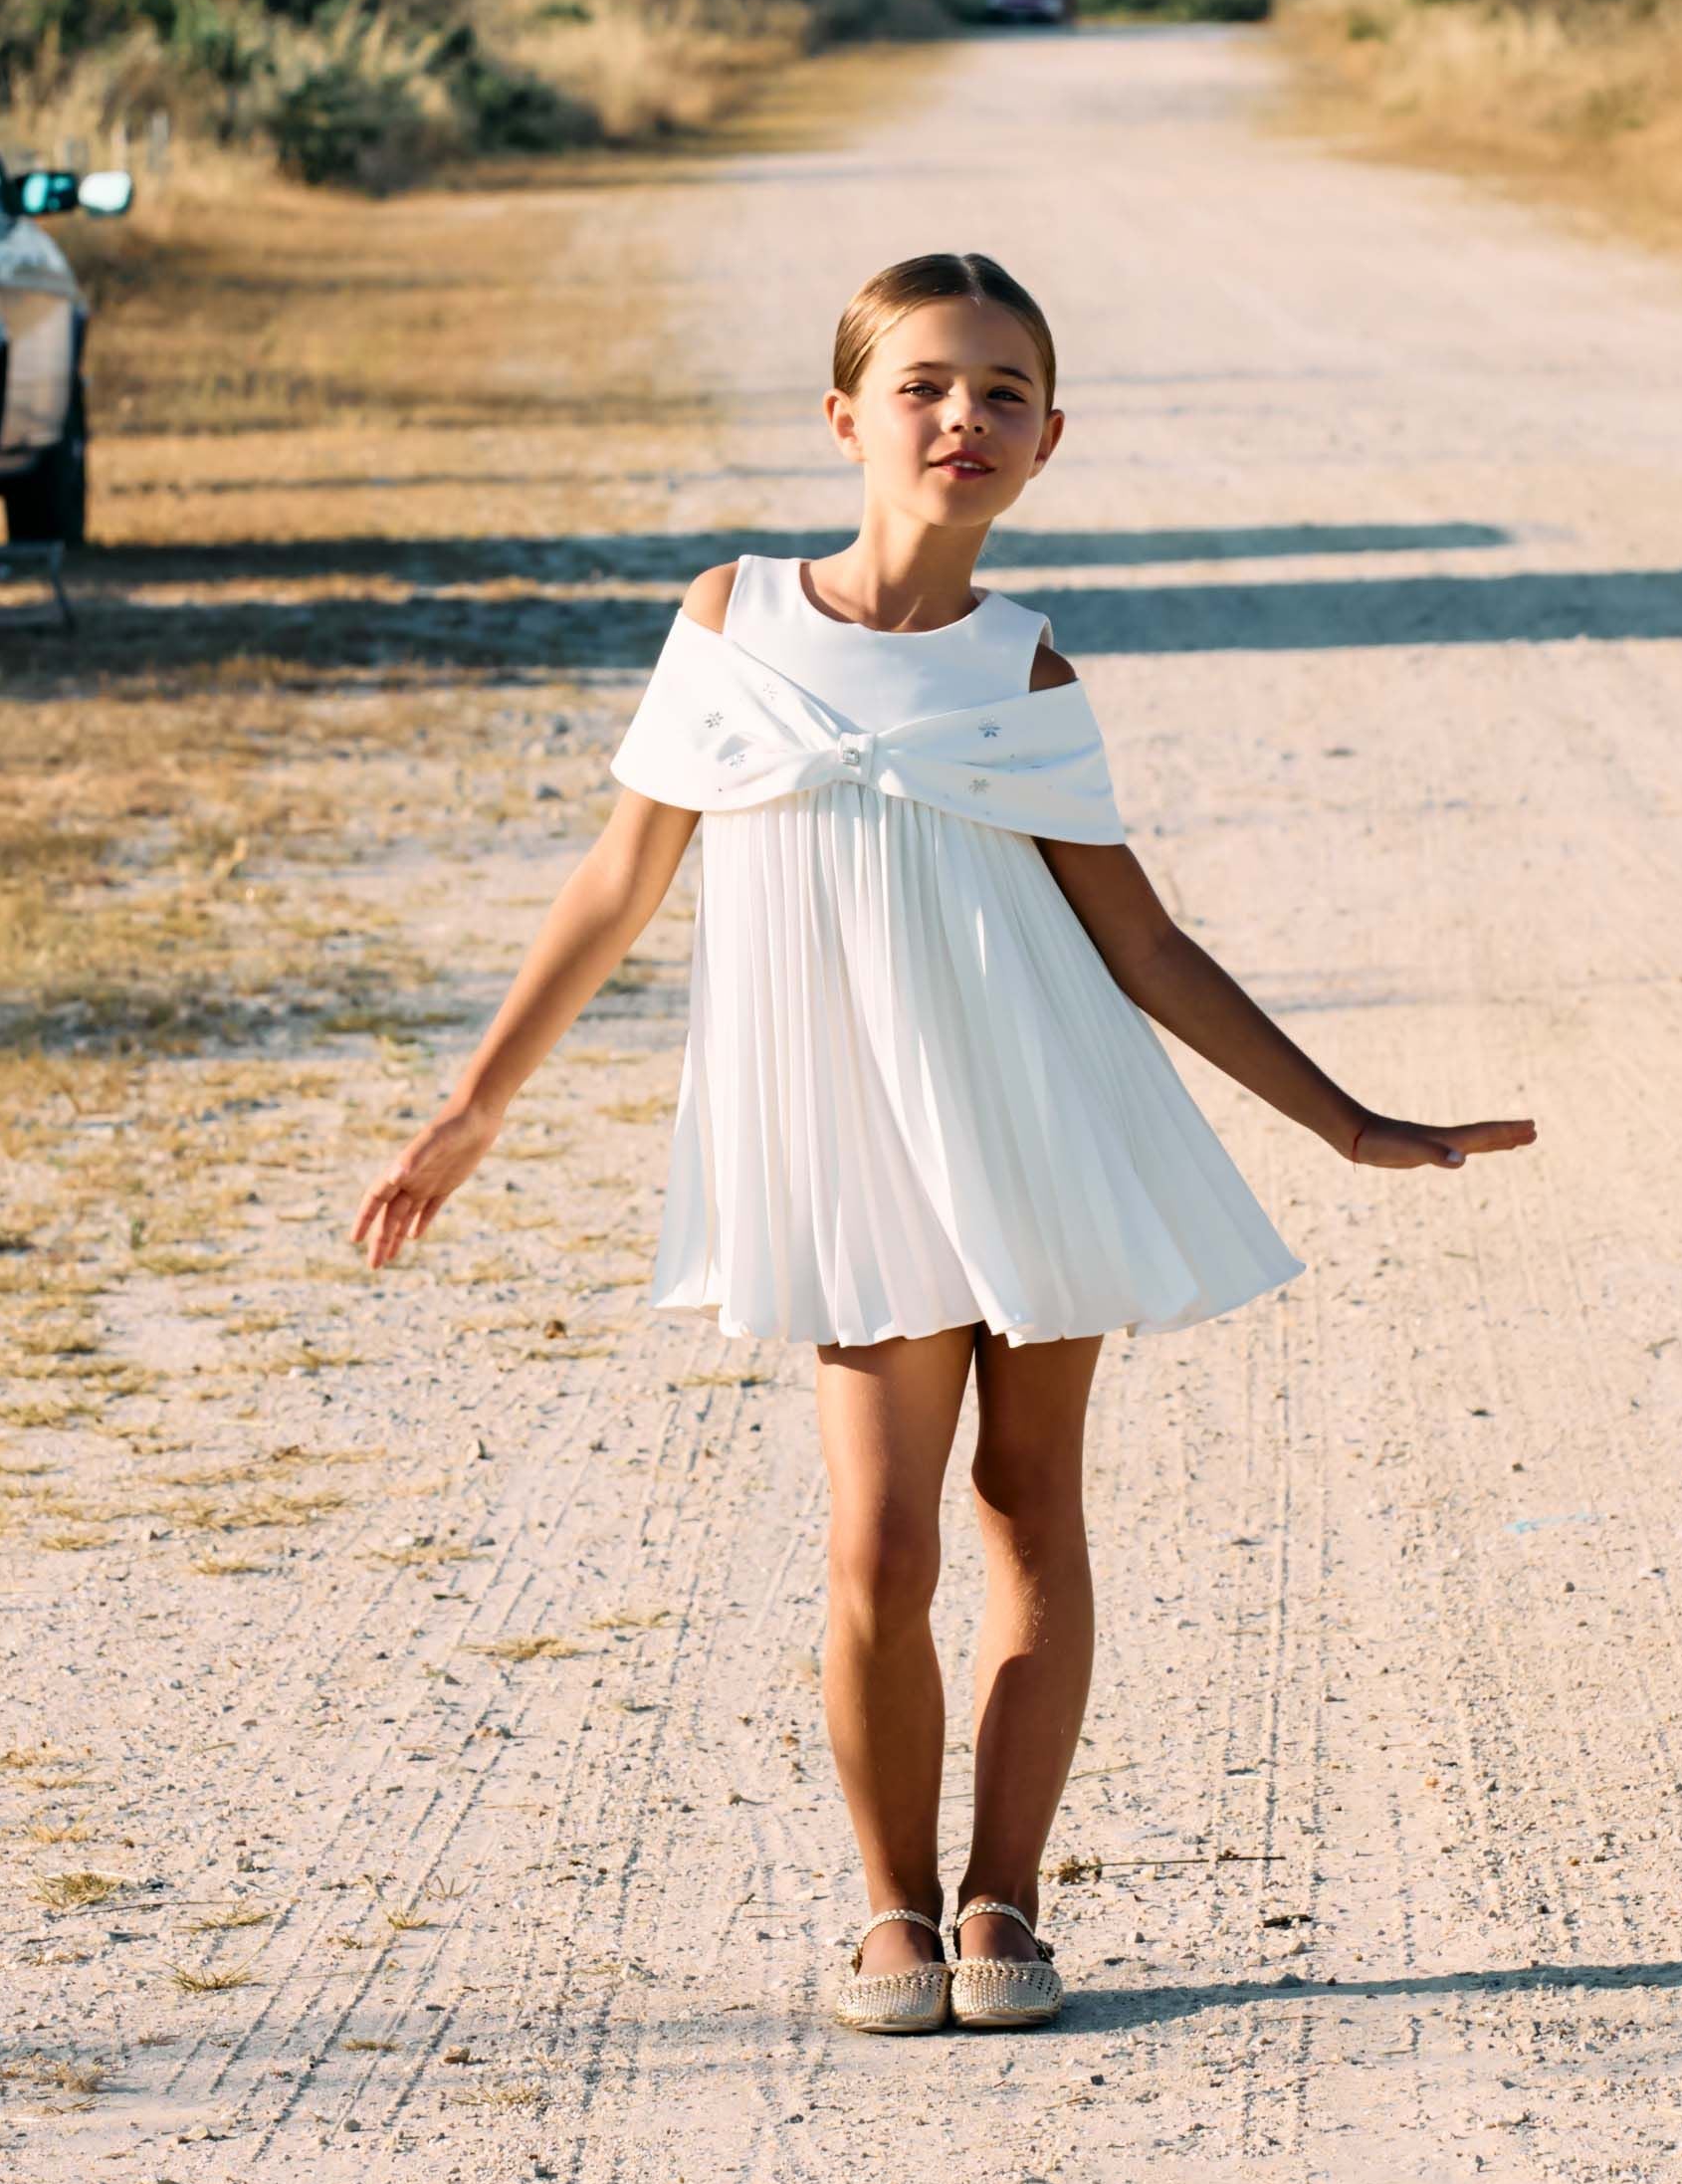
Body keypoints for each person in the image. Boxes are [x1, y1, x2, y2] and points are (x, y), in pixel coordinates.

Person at [349, 250, 1534, 2035]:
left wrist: (1348, 1122)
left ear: (1049, 441)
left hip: (1036, 1115)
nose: (959, 419)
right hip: (844, 1139)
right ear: (845, 417)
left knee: (1023, 1507)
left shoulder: (1022, 660)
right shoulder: (732, 617)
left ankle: (1004, 1902)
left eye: (999, 394)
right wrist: (475, 1102)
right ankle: (887, 1907)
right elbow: (620, 878)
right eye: (923, 385)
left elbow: (1135, 943)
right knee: (877, 1548)